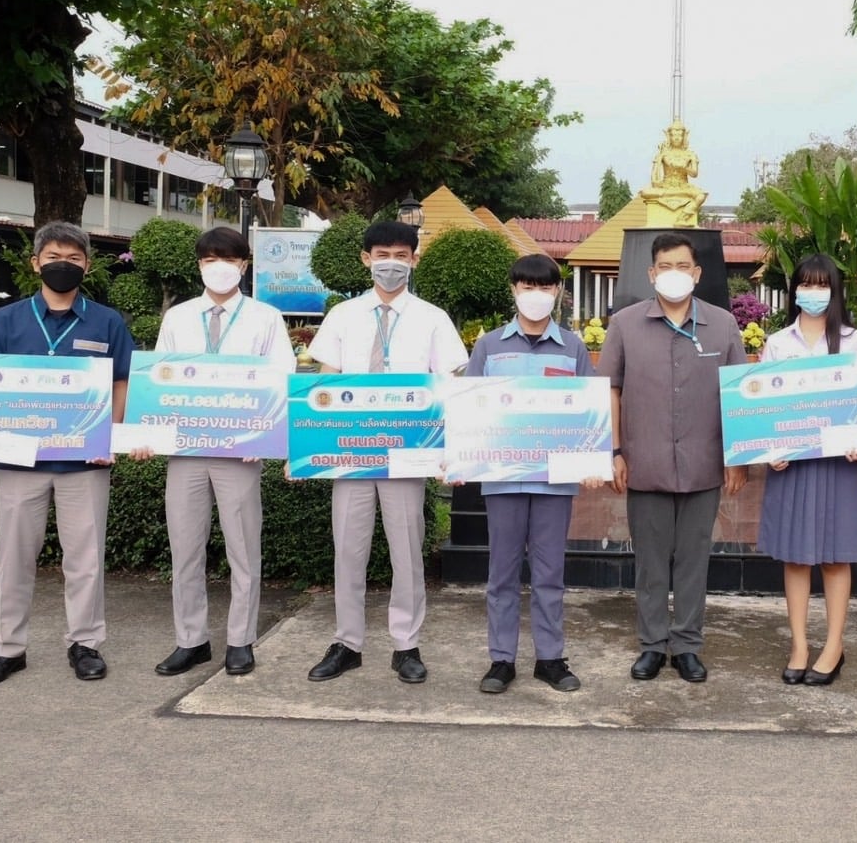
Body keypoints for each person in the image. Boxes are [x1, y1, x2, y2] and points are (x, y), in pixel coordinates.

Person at [0, 222, 135, 686]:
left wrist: (110, 438)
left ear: (88, 265)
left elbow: (122, 382)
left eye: (75, 258)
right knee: (15, 557)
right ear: (35, 262)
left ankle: (85, 644)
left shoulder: (107, 322)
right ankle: (8, 648)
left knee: (85, 558)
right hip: (19, 463)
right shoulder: (7, 321)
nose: (65, 265)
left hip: (85, 464)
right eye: (55, 256)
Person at [304, 220, 468, 683]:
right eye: (382, 254)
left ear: (414, 259)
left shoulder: (433, 318)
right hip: (351, 453)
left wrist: (447, 453)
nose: (390, 263)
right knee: (348, 550)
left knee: (406, 551)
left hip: (410, 452)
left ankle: (406, 645)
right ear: (365, 259)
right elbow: (325, 385)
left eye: (400, 254)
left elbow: (449, 387)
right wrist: (311, 451)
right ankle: (347, 642)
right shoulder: (342, 316)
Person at [149, 227, 296, 678]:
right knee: (185, 547)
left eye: (229, 259)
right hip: (187, 451)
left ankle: (240, 640)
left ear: (244, 265)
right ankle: (190, 640)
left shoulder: (266, 317)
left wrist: (265, 436)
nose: (220, 266)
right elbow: (161, 378)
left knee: (243, 548)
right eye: (210, 259)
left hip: (240, 451)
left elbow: (281, 380)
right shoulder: (178, 317)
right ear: (199, 266)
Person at [600, 232, 747, 683]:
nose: (674, 275)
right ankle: (651, 644)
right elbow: (610, 389)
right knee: (649, 559)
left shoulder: (723, 326)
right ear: (651, 273)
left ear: (697, 273)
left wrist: (737, 456)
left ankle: (686, 644)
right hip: (644, 463)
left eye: (683, 266)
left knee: (692, 559)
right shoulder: (624, 324)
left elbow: (740, 394)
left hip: (704, 463)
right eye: (665, 267)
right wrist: (614, 451)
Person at [464, 253, 600, 694]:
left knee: (549, 573)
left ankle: (550, 658)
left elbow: (588, 414)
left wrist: (593, 460)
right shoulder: (489, 346)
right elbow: (470, 412)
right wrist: (461, 458)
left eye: (544, 287)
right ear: (513, 290)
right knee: (501, 573)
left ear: (557, 293)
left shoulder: (573, 347)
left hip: (554, 481)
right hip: (502, 478)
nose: (535, 295)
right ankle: (501, 659)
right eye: (527, 286)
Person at [757, 254, 857, 686]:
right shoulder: (777, 343)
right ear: (794, 291)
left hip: (839, 465)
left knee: (836, 556)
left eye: (822, 285)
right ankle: (800, 644)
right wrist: (770, 448)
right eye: (806, 284)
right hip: (792, 466)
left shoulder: (853, 341)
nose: (814, 292)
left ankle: (834, 645)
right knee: (797, 557)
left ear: (835, 290)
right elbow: (763, 410)